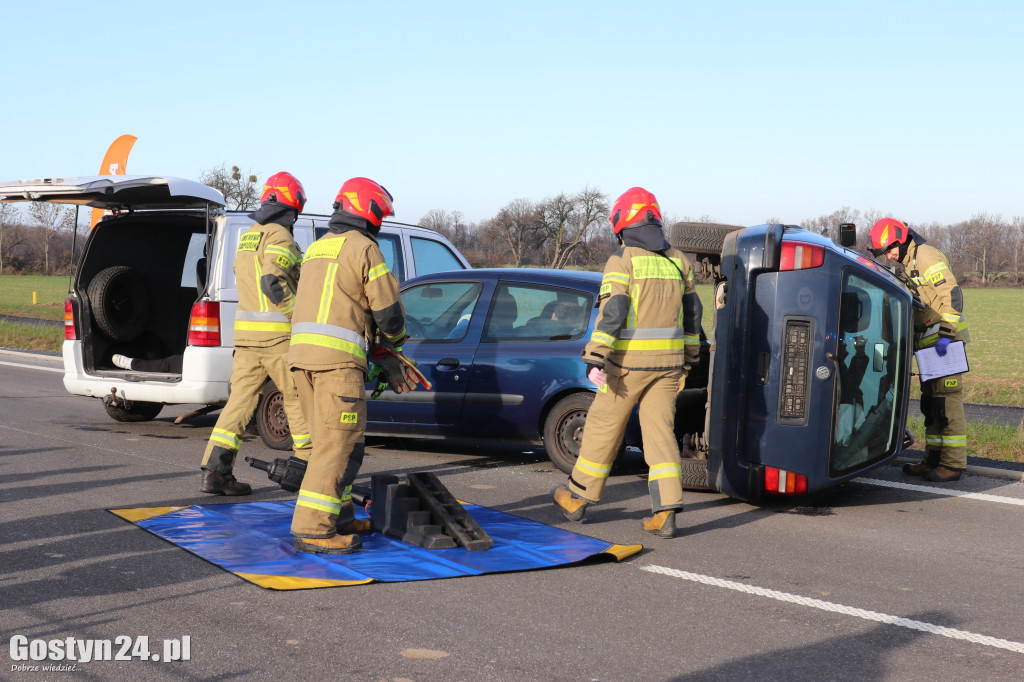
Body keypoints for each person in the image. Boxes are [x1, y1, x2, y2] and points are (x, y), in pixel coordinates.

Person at [551, 187, 702, 538]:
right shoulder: (679, 260)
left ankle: (576, 498)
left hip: (628, 367)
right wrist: (691, 357)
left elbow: (613, 311)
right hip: (669, 367)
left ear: (622, 223)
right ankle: (665, 512)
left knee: (603, 429)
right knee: (660, 435)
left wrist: (596, 357)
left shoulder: (623, 260)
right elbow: (693, 316)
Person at [287, 177, 413, 555]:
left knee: (335, 445)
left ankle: (339, 517)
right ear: (370, 212)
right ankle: (313, 528)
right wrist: (394, 347)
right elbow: (389, 313)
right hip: (337, 366)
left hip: (301, 362)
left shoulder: (317, 248)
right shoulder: (364, 249)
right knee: (336, 446)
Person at [198, 172, 313, 495]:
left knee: (238, 403)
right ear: (292, 208)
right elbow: (271, 282)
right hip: (277, 337)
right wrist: (297, 315)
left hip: (246, 338)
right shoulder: (281, 238)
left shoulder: (248, 235)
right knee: (296, 399)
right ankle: (306, 467)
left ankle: (215, 472)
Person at [867, 217, 970, 482]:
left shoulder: (926, 256)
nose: (888, 256)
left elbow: (952, 295)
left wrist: (947, 335)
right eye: (884, 252)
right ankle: (932, 460)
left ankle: (953, 464)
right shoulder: (908, 263)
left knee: (947, 403)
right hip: (929, 346)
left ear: (901, 241)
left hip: (945, 343)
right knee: (932, 405)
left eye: (889, 249)